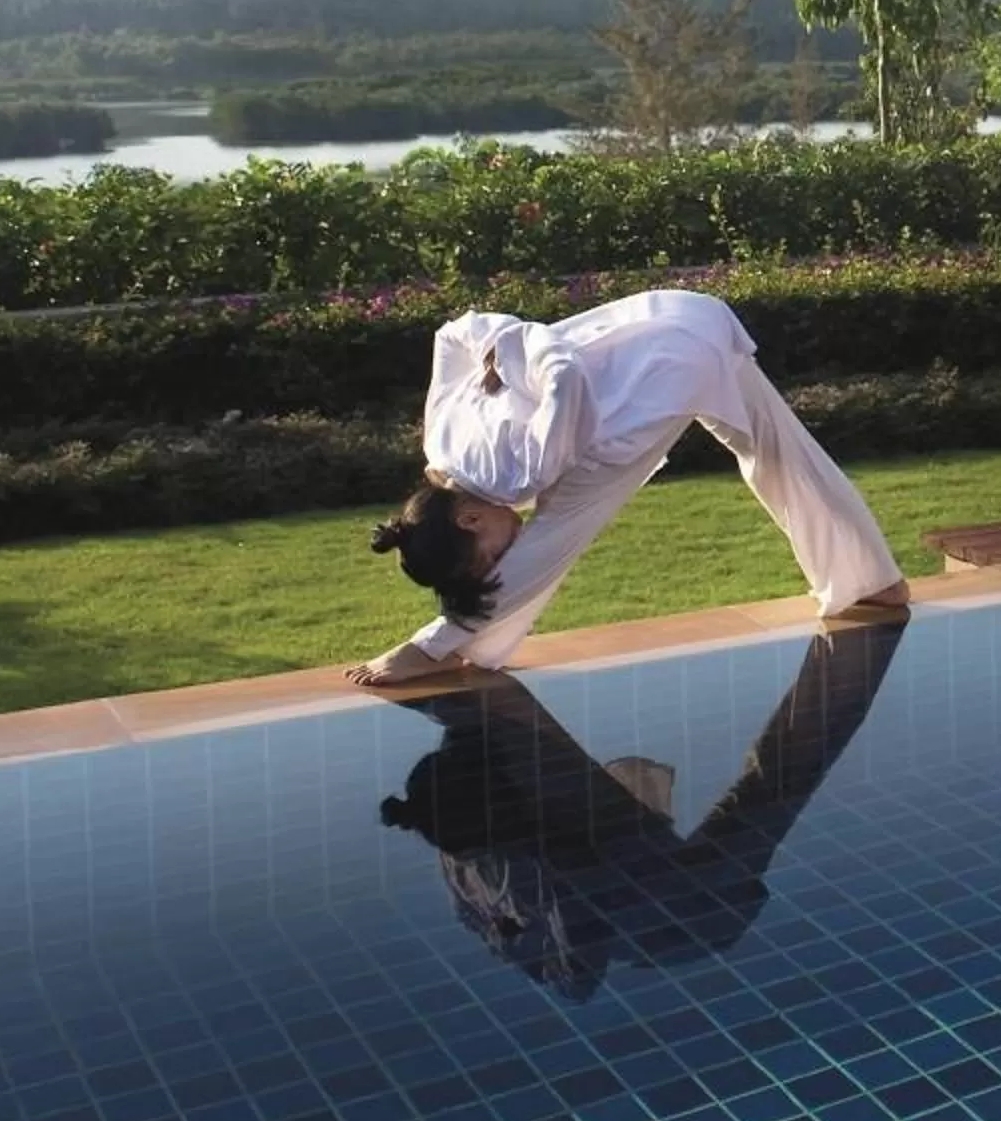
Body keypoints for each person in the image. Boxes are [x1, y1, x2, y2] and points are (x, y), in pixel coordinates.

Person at [346, 288, 908, 686]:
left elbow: (559, 369)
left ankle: (435, 648)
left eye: (488, 556)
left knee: (551, 544)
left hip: (644, 386)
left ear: (468, 519)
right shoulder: (440, 449)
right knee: (778, 454)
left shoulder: (518, 473)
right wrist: (500, 350)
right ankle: (871, 579)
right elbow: (452, 335)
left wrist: (523, 357)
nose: (503, 555)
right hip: (680, 321)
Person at [377, 619, 907, 996]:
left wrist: (416, 669)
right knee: (778, 784)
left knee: (776, 782)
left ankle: (857, 650)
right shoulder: (543, 852)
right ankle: (861, 648)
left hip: (626, 876)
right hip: (692, 909)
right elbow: (575, 981)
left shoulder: (456, 835)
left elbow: (486, 719)